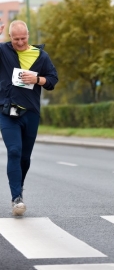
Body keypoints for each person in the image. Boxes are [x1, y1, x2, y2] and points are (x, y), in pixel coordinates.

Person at [0, 19, 58, 216]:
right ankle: (16, 198)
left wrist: (38, 79)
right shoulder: (4, 52)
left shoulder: (41, 56)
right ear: (10, 37)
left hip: (31, 113)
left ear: (28, 36)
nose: (20, 42)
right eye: (16, 39)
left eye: (23, 38)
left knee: (24, 157)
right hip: (7, 113)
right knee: (14, 151)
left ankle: (19, 187)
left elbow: (53, 79)